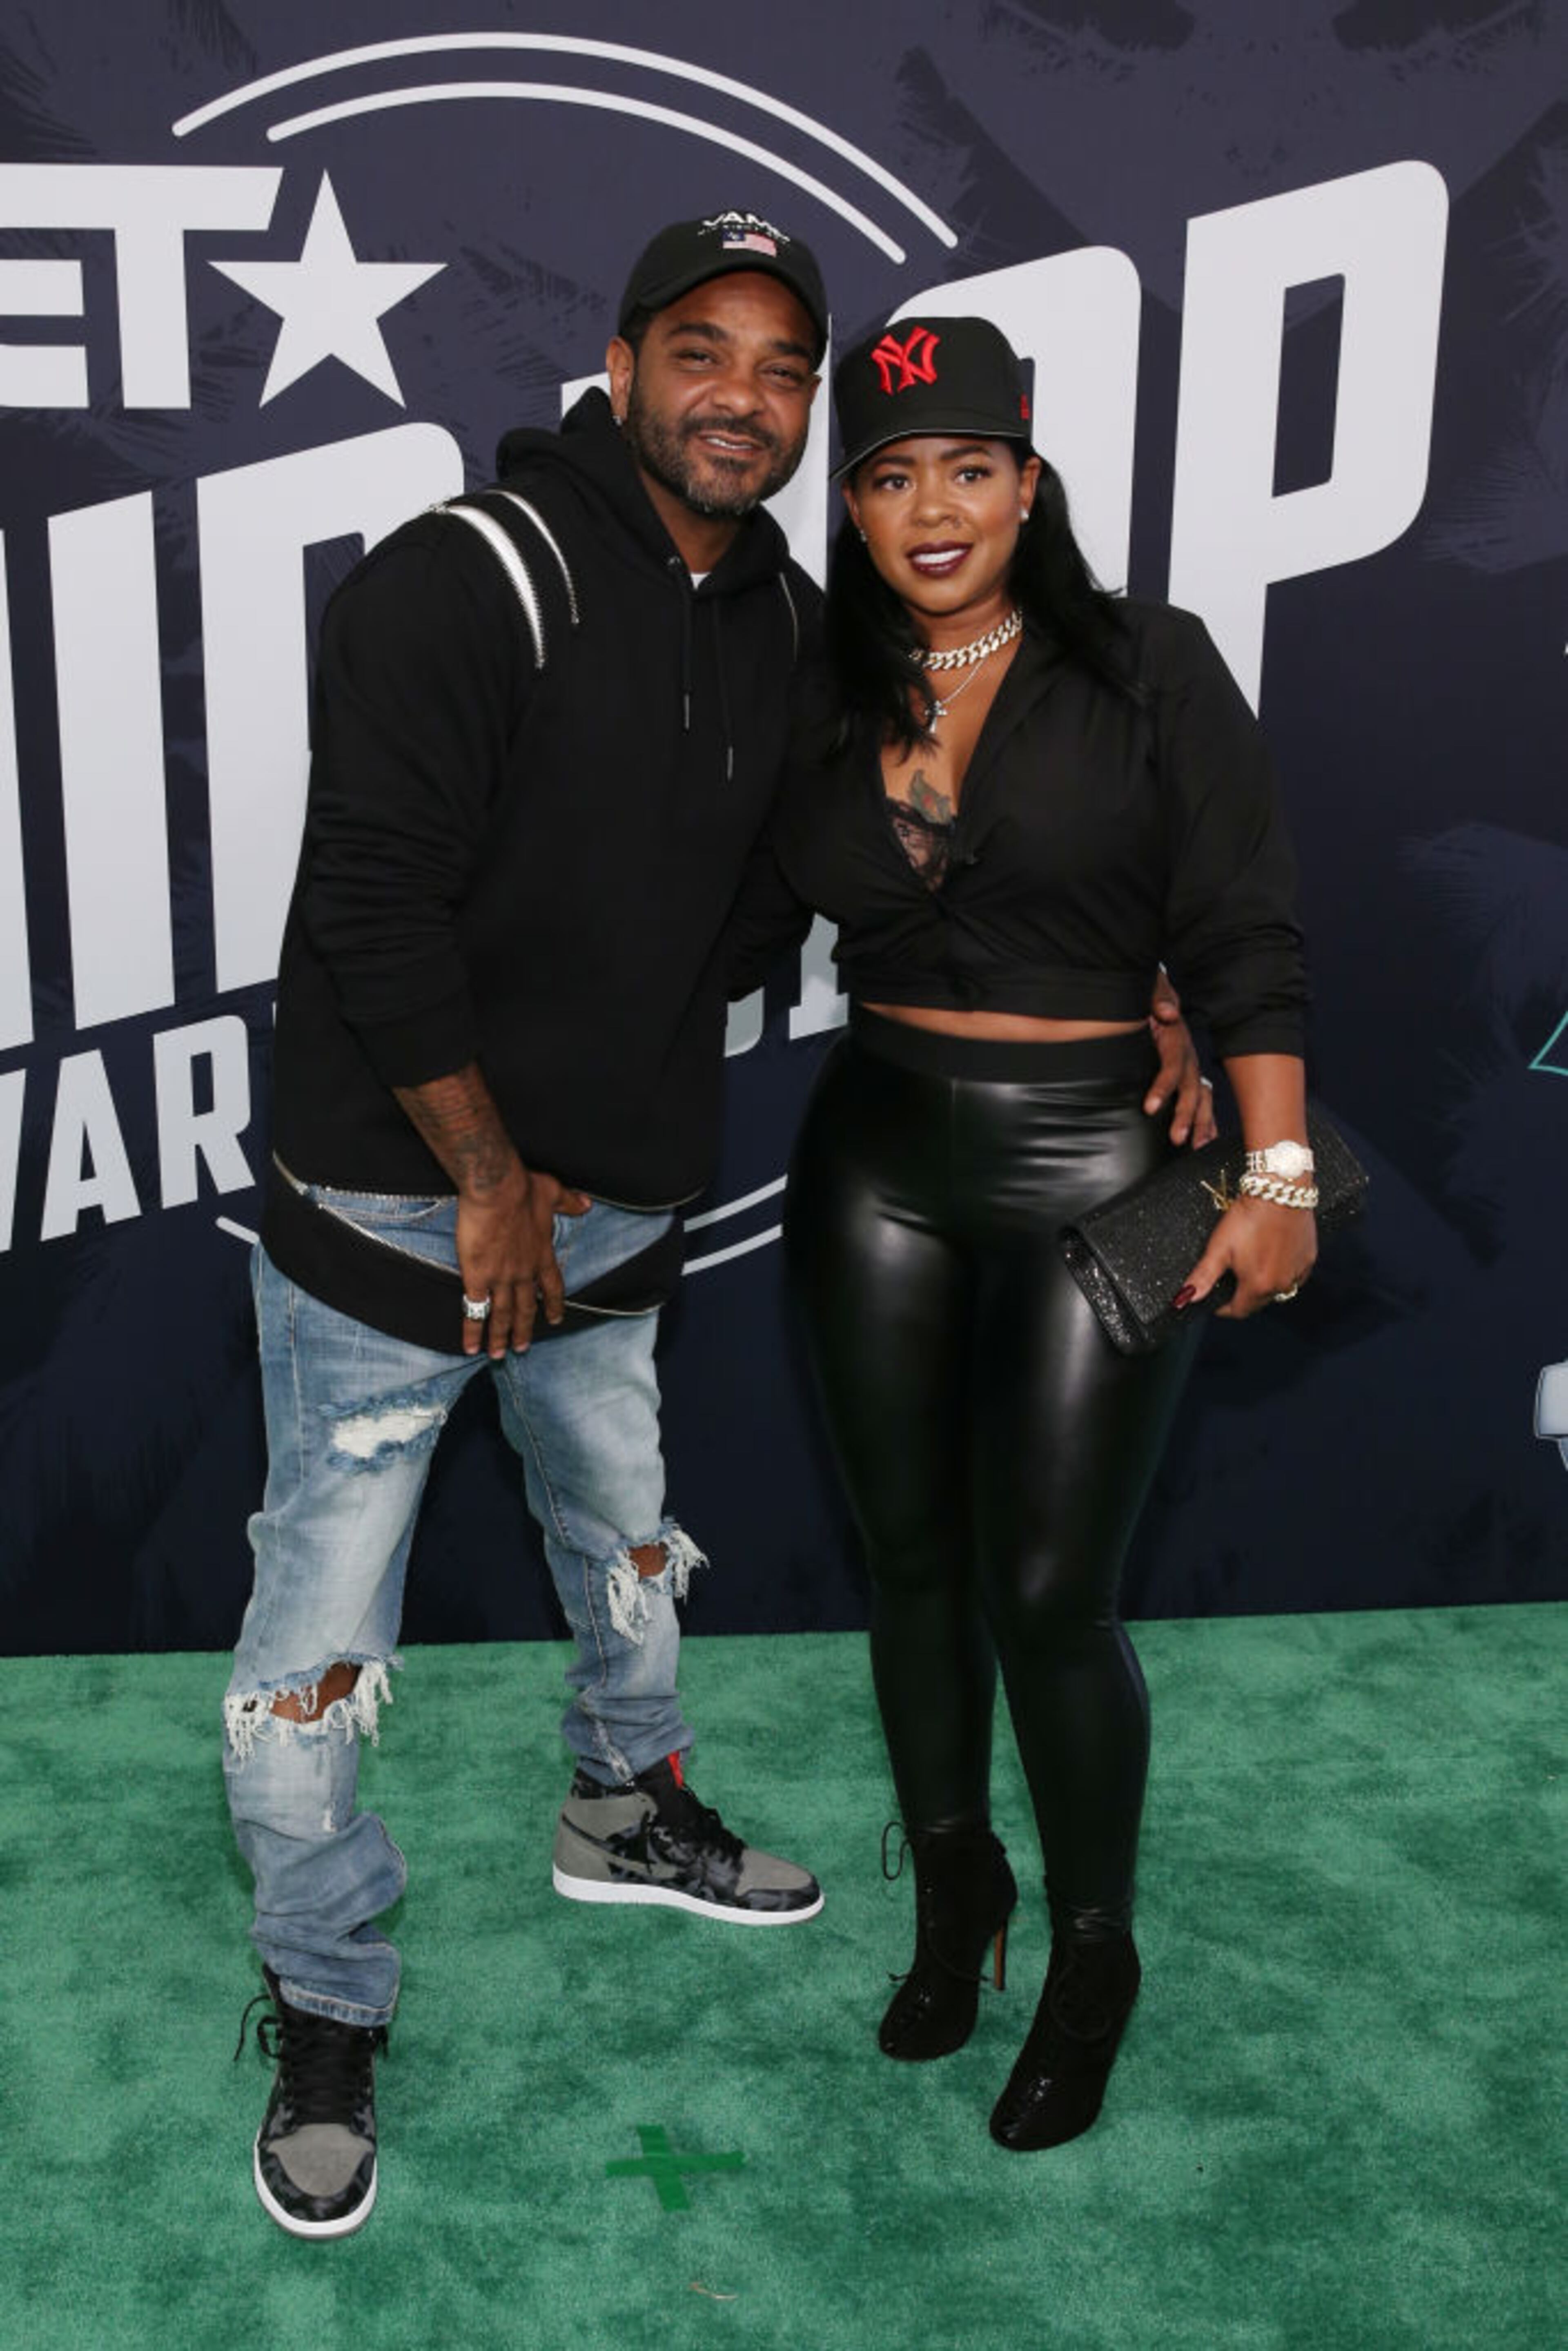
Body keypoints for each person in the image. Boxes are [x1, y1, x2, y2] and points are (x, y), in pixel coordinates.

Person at [223, 211, 844, 2242]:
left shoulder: (786, 616)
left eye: (782, 367)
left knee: (625, 1530)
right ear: (623, 360)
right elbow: (371, 899)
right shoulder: (464, 574)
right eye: (704, 350)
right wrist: (490, 1167)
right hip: (406, 1199)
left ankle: (622, 1803)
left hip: (613, 1195)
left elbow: (764, 899)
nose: (742, 397)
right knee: (323, 1636)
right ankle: (327, 1993)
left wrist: (595, 1116)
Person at [759, 316, 1315, 2151]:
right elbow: (706, 895)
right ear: (851, 506)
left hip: (1109, 1165)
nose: (934, 509)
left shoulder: (1151, 665)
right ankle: (956, 1890)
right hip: (876, 1159)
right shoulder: (815, 685)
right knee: (913, 1564)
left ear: (1030, 482)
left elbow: (1242, 931)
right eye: (891, 476)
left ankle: (1093, 1958)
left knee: (1054, 1590)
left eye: (969, 468)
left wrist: (1276, 1169)